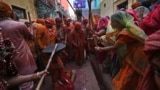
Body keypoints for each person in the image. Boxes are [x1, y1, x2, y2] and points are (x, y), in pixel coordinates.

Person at [95, 11, 148, 90]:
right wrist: (100, 38)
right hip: (139, 54)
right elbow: (110, 35)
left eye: (113, 22)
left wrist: (101, 49)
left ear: (118, 22)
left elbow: (115, 47)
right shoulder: (131, 27)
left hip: (136, 57)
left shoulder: (125, 32)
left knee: (128, 78)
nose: (112, 25)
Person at [0, 1, 38, 90]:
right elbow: (30, 37)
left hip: (5, 62)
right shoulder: (18, 25)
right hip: (21, 56)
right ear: (9, 12)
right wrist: (31, 29)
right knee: (26, 82)